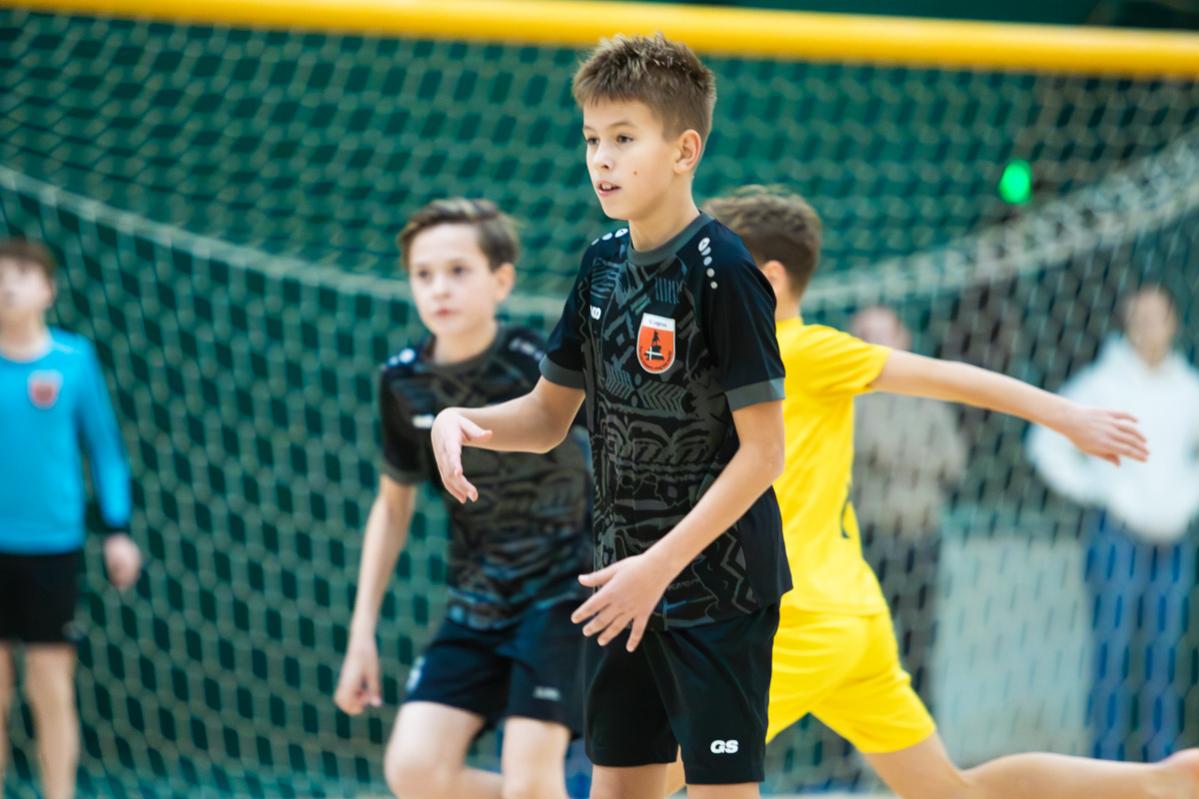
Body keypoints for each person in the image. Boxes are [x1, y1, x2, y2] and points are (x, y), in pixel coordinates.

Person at [654, 187, 1199, 799]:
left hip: (802, 621)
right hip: (849, 613)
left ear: (769, 281)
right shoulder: (734, 362)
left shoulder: (801, 351)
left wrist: (1065, 415)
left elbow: (951, 378)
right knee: (951, 791)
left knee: (642, 777)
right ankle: (1161, 782)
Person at [431, 36, 791, 799]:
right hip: (619, 588)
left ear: (684, 150)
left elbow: (763, 453)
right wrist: (463, 419)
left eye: (624, 139)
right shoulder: (599, 263)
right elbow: (547, 415)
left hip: (716, 591)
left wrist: (657, 568)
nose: (602, 159)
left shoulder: (723, 271)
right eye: (592, 139)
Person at [332, 199, 592, 799]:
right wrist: (361, 634)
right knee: (415, 771)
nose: (439, 288)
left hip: (563, 597)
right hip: (476, 602)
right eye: (423, 274)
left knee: (532, 783)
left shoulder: (543, 367)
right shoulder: (403, 381)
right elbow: (392, 507)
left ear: (501, 280)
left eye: (458, 270)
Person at [1029, 285, 1199, 763]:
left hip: (1172, 538)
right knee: (1113, 652)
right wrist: (1099, 491)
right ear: (1127, 323)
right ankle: (1103, 768)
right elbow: (1044, 442)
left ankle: (1161, 767)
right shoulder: (1101, 384)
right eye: (1139, 318)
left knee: (1164, 657)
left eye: (1157, 317)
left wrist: (1186, 498)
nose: (1148, 327)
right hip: (1116, 535)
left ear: (1173, 323)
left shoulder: (1188, 387)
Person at [0, 238, 142, 799]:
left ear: (49, 290)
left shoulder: (73, 360)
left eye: (21, 273)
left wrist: (118, 530)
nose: (7, 284)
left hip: (53, 549)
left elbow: (105, 450)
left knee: (51, 687)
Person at [852, 305, 967, 709]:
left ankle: (920, 737)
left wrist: (896, 459)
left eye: (883, 335)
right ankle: (854, 746)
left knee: (919, 649)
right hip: (870, 541)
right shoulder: (850, 399)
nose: (876, 345)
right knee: (863, 650)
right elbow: (868, 449)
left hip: (922, 539)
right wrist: (914, 458)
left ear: (903, 338)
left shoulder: (927, 395)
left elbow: (953, 462)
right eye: (865, 336)